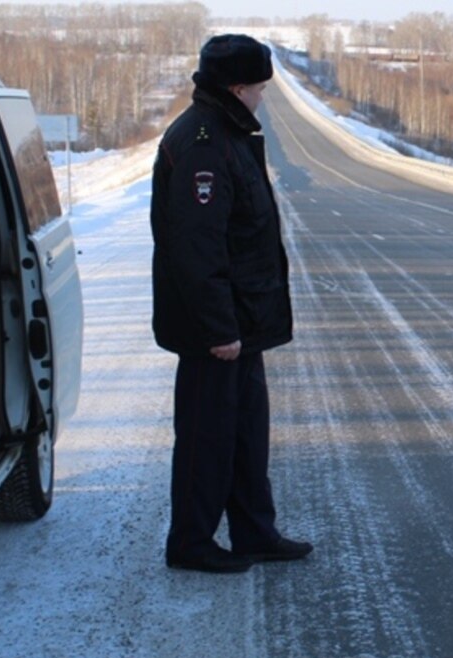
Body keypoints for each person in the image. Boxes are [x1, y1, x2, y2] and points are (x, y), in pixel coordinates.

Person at [151, 34, 312, 573]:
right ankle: (191, 543)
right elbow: (197, 247)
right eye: (261, 88)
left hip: (242, 322)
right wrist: (219, 329)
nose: (264, 97)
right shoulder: (204, 141)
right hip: (214, 331)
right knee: (206, 438)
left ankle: (254, 533)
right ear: (237, 87)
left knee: (246, 436)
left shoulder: (227, 132)